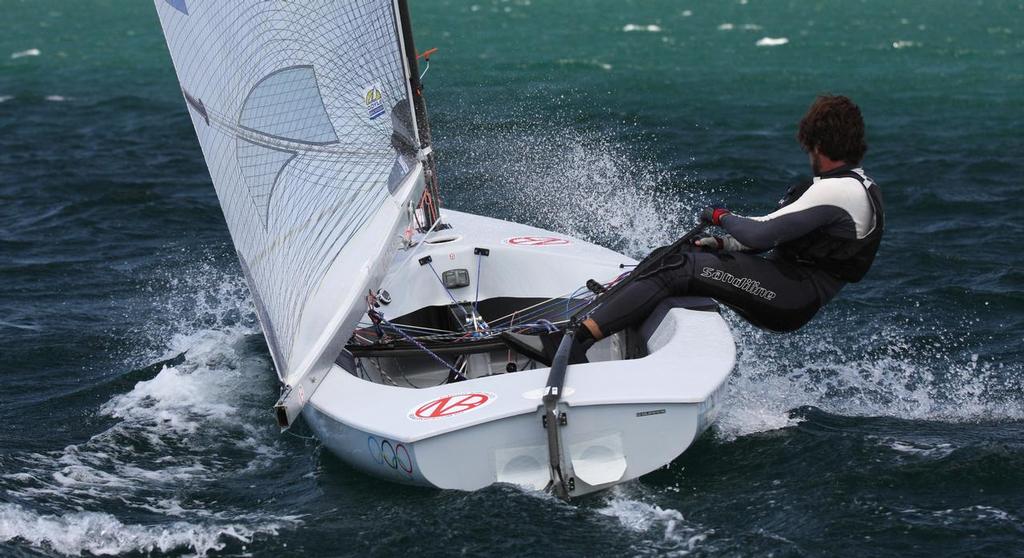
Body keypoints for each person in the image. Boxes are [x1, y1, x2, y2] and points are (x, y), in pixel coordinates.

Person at [571, 94, 884, 361]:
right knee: (671, 255)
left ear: (815, 143)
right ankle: (607, 317)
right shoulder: (849, 185)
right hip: (787, 287)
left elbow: (760, 233)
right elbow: (767, 237)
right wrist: (724, 244)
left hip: (791, 295)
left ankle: (575, 340)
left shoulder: (840, 190)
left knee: (678, 269)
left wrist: (720, 216)